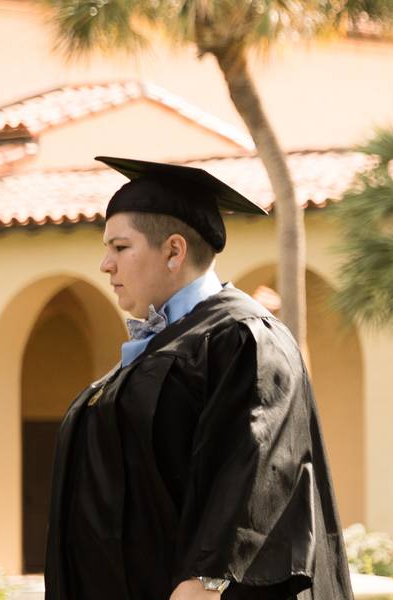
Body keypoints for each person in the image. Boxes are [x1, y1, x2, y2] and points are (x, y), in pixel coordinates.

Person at [44, 156, 351, 600]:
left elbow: (249, 484)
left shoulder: (243, 339)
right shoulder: (155, 349)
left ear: (173, 251)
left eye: (120, 247)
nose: (105, 265)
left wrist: (202, 585)